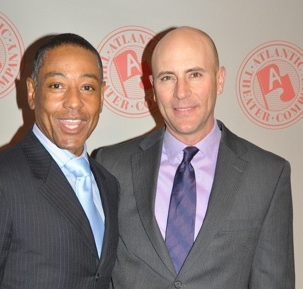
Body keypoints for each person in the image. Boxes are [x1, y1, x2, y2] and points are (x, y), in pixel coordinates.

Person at [95, 26, 294, 288]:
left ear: (219, 79)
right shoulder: (110, 165)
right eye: (168, 77)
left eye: (195, 74)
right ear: (153, 87)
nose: (181, 92)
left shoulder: (267, 174)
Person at [0, 33, 119, 289]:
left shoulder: (108, 184)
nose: (74, 102)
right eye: (57, 85)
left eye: (87, 87)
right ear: (32, 92)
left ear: (102, 96)